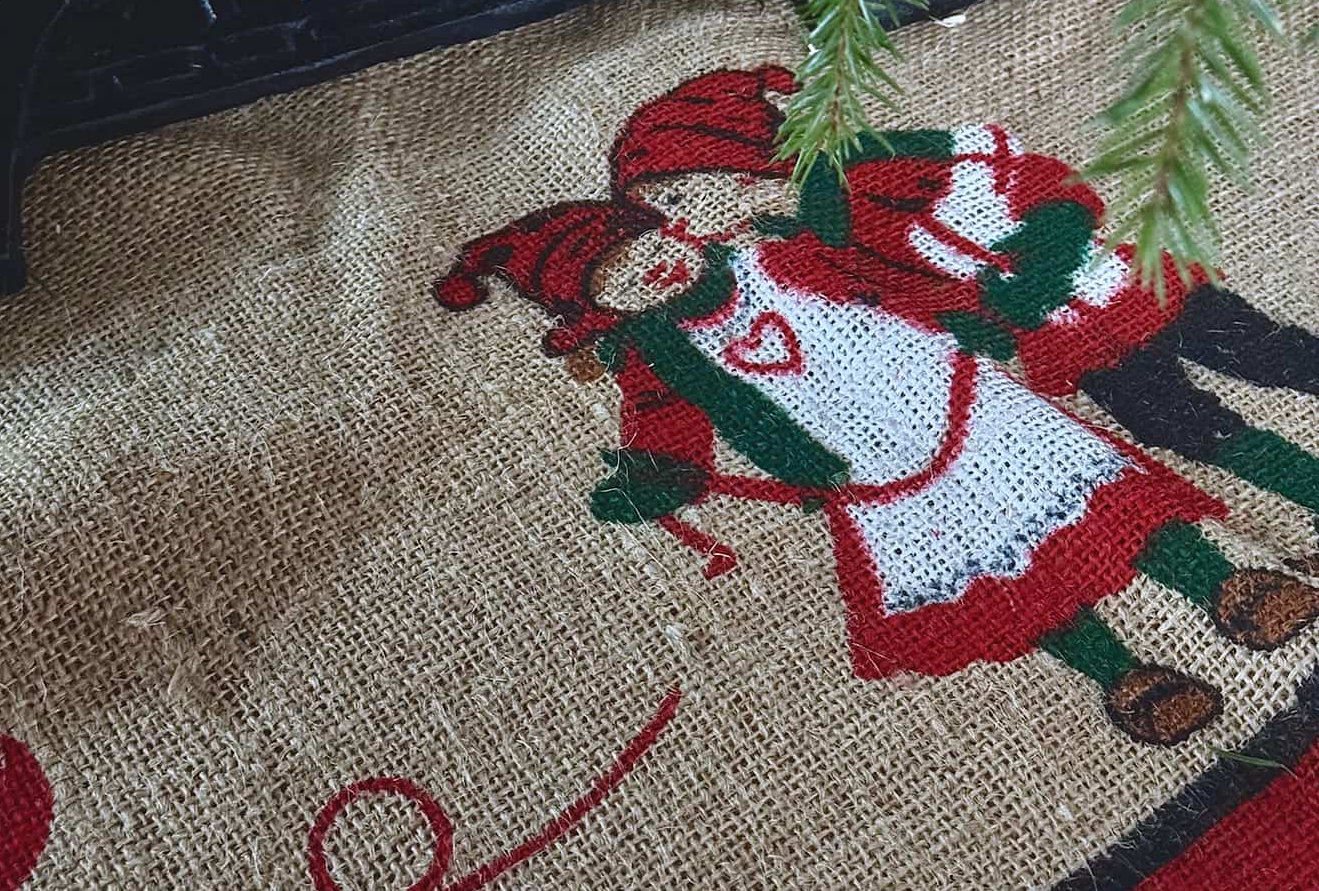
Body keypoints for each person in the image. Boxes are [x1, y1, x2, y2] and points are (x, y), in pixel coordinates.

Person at [436, 69, 1319, 745]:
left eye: (671, 208)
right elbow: (677, 413)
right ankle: (1131, 675)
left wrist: (990, 314)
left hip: (1026, 364)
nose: (676, 235)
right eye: (631, 267)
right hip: (897, 472)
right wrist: (663, 471)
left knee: (1143, 468)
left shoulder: (811, 225)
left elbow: (973, 237)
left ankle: (1231, 581)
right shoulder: (675, 334)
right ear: (611, 315)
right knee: (1026, 555)